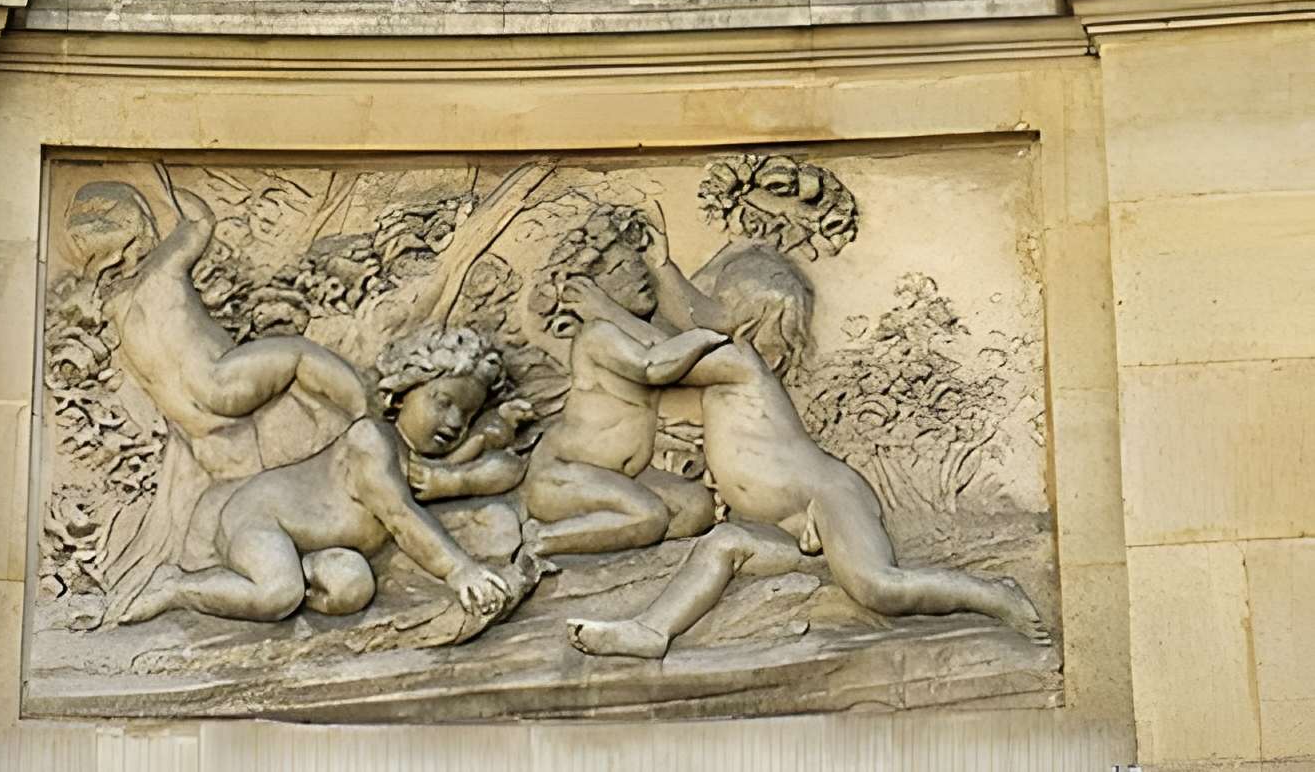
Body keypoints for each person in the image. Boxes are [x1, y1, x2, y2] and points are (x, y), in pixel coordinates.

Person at [567, 241, 1048, 658]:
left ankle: (995, 594)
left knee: (877, 586)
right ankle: (652, 631)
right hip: (788, 524)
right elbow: (676, 335)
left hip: (827, 497)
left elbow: (657, 357)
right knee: (724, 544)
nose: (703, 316)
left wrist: (606, 309)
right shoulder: (724, 363)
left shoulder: (739, 362)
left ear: (743, 322)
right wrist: (660, 267)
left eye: (721, 308)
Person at [119, 326, 520, 628]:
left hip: (310, 548)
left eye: (468, 414)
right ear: (402, 392)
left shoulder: (410, 461)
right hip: (261, 519)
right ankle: (178, 587)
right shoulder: (371, 440)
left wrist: (495, 432)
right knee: (279, 593)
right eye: (443, 401)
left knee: (352, 586)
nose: (454, 421)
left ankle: (301, 573)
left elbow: (485, 474)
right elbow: (400, 516)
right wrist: (458, 569)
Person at [65, 166, 368, 480]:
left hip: (197, 429)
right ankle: (364, 410)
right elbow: (201, 221)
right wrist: (166, 194)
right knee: (300, 353)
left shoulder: (106, 305)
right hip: (219, 383)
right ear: (138, 226)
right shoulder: (161, 268)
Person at [523, 205, 726, 556]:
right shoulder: (597, 334)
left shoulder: (634, 329)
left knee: (697, 507)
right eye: (619, 269)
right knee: (649, 516)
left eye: (636, 262)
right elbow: (653, 364)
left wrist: (661, 267)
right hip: (564, 475)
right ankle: (539, 542)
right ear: (589, 292)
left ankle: (612, 538)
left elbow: (670, 346)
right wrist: (704, 338)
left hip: (620, 478)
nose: (637, 272)